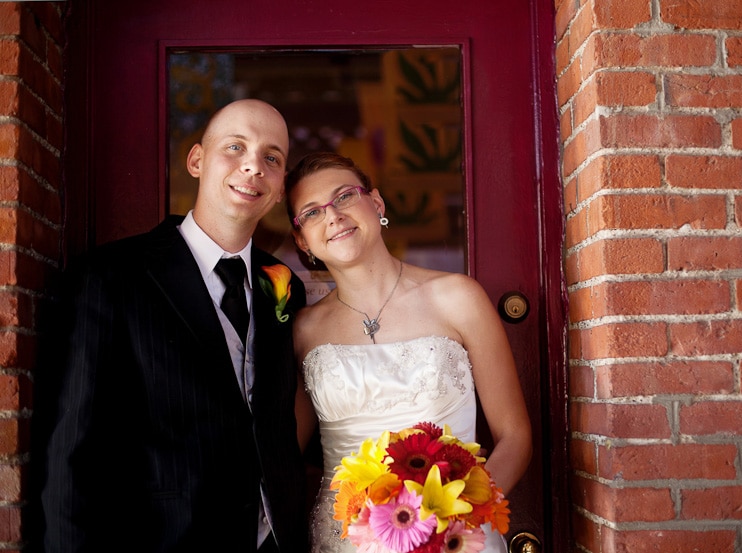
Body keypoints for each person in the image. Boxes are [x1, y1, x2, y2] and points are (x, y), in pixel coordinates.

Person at [33, 99, 308, 552]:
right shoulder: (111, 277)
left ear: (279, 188)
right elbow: (70, 451)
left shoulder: (281, 285)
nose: (253, 167)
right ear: (197, 160)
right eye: (235, 147)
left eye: (271, 158)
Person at [284, 152, 533, 552]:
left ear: (377, 204)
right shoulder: (303, 330)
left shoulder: (458, 298)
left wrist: (449, 518)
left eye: (345, 196)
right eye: (311, 212)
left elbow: (515, 436)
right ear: (302, 240)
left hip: (456, 537)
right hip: (346, 542)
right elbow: (282, 454)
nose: (332, 216)